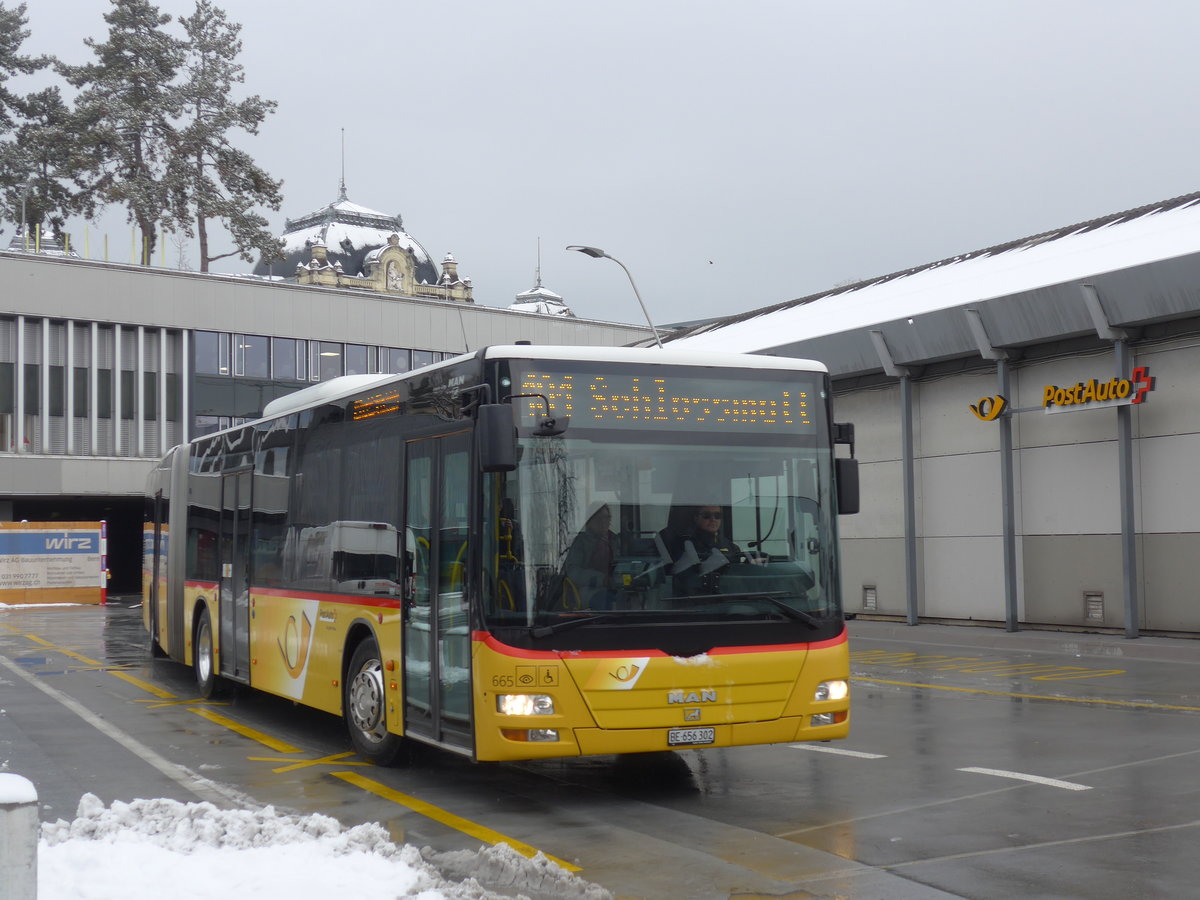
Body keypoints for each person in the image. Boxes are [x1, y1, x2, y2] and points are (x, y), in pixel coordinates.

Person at [658, 505, 745, 595]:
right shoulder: (682, 545)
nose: (713, 519)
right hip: (695, 600)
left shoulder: (730, 546)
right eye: (706, 515)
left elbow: (737, 574)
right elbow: (680, 577)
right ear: (696, 518)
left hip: (729, 596)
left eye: (717, 516)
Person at [562, 503, 618, 608]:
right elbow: (573, 571)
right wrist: (602, 579)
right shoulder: (580, 542)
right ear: (589, 520)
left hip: (618, 588)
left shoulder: (616, 540)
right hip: (587, 589)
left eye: (607, 517)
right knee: (606, 601)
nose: (603, 522)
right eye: (599, 518)